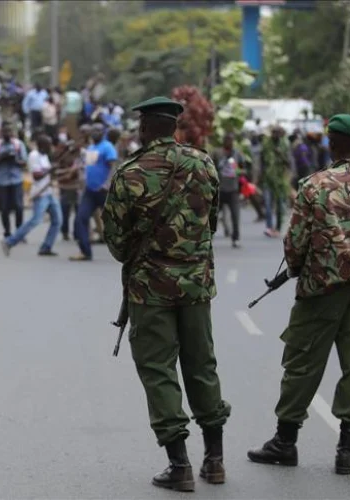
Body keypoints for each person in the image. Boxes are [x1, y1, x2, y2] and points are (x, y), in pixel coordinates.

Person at [247, 114, 350, 475]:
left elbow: (296, 242)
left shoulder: (315, 186)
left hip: (323, 289)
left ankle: (285, 442)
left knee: (302, 363)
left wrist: (298, 267)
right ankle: (346, 450)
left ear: (332, 143)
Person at [102, 96, 230, 492]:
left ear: (144, 128)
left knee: (159, 371)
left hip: (149, 287)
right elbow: (211, 221)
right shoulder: (204, 163)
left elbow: (117, 242)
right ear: (174, 126)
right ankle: (215, 460)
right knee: (201, 365)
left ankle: (180, 465)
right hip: (196, 285)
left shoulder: (130, 172)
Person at [1, 134, 63, 257]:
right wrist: (50, 170)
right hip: (40, 193)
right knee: (35, 220)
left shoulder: (45, 156)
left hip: (49, 192)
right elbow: (36, 176)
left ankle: (46, 247)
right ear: (42, 145)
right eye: (48, 144)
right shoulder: (34, 156)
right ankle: (9, 242)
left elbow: (48, 174)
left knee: (57, 220)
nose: (50, 147)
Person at [71, 123, 117, 261]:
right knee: (80, 219)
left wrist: (107, 184)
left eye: (98, 130)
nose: (95, 133)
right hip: (90, 191)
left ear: (103, 132)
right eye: (93, 130)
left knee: (116, 221)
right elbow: (88, 168)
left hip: (104, 192)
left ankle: (130, 251)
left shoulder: (107, 146)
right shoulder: (90, 148)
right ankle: (85, 251)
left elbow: (113, 166)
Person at [0, 122, 28, 238]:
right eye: (5, 131)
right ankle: (7, 232)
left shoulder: (18, 145)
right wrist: (1, 158)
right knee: (4, 208)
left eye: (9, 131)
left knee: (19, 206)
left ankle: (19, 231)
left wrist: (15, 160)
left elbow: (24, 162)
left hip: (16, 179)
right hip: (1, 180)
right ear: (1, 133)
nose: (7, 134)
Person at [213, 133, 245, 248]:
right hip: (220, 189)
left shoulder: (237, 154)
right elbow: (211, 166)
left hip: (233, 190)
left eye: (231, 140)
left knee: (235, 216)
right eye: (227, 140)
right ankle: (208, 237)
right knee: (213, 215)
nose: (229, 142)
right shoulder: (217, 153)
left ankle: (235, 238)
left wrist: (238, 171)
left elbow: (244, 168)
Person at [260, 126, 291, 238]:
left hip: (280, 180)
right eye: (274, 132)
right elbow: (262, 160)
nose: (276, 135)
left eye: (278, 133)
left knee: (279, 205)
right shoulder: (266, 144)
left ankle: (277, 228)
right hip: (268, 179)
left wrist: (280, 154)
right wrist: (260, 175)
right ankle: (269, 227)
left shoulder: (284, 145)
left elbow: (288, 163)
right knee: (268, 204)